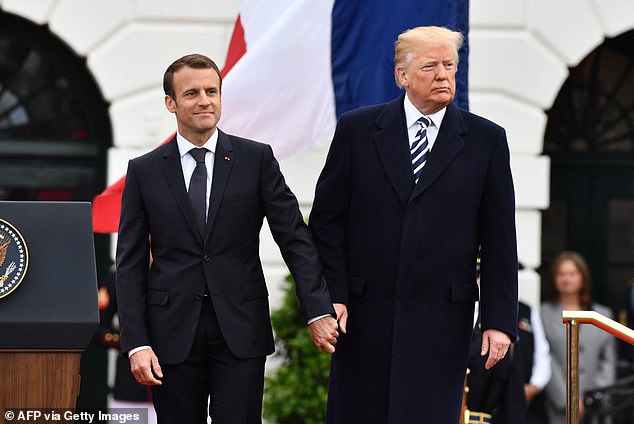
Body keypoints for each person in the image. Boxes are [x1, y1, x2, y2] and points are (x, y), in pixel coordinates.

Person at [309, 26, 519, 423]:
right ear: (402, 75)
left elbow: (499, 239)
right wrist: (331, 296)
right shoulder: (358, 129)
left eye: (450, 66)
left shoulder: (485, 140)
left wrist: (498, 320)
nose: (443, 75)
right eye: (431, 66)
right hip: (364, 315)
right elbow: (327, 223)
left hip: (441, 320)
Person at [115, 53, 339, 424]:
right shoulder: (145, 171)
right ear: (170, 103)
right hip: (171, 335)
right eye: (191, 93)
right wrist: (137, 343)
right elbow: (130, 263)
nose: (204, 100)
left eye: (212, 91)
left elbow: (294, 238)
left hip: (240, 329)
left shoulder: (256, 160)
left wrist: (316, 308)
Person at [541, 252, 616, 423]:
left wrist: (594, 397)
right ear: (554, 278)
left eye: (572, 274)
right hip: (558, 404)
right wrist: (566, 398)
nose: (566, 279)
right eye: (561, 274)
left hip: (597, 406)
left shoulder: (603, 314)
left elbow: (608, 361)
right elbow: (546, 356)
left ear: (583, 278)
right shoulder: (543, 313)